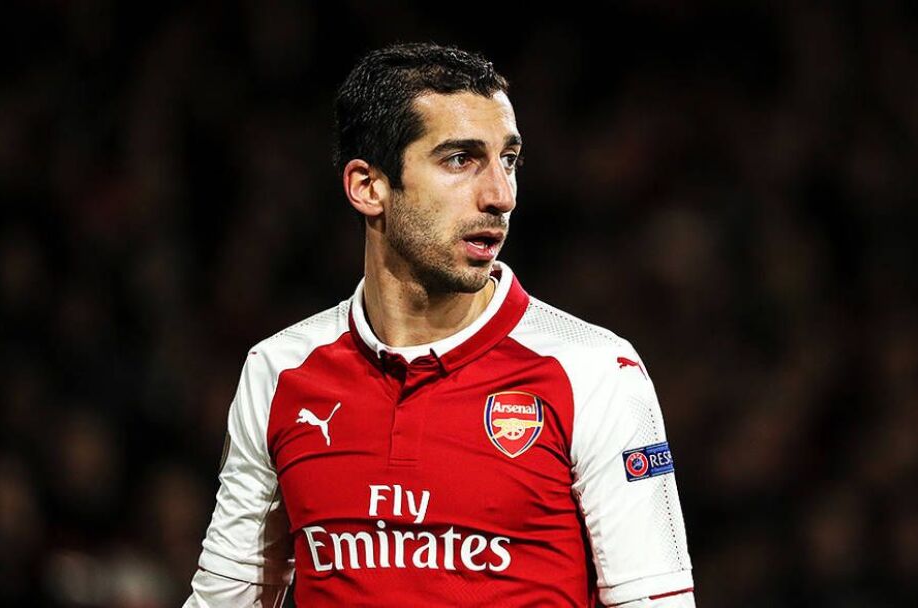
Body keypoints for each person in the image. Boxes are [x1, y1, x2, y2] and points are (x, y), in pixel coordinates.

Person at [185, 42, 694, 607]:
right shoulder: (279, 372)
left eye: (508, 160)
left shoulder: (596, 373)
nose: (500, 195)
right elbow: (223, 599)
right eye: (460, 160)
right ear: (368, 186)